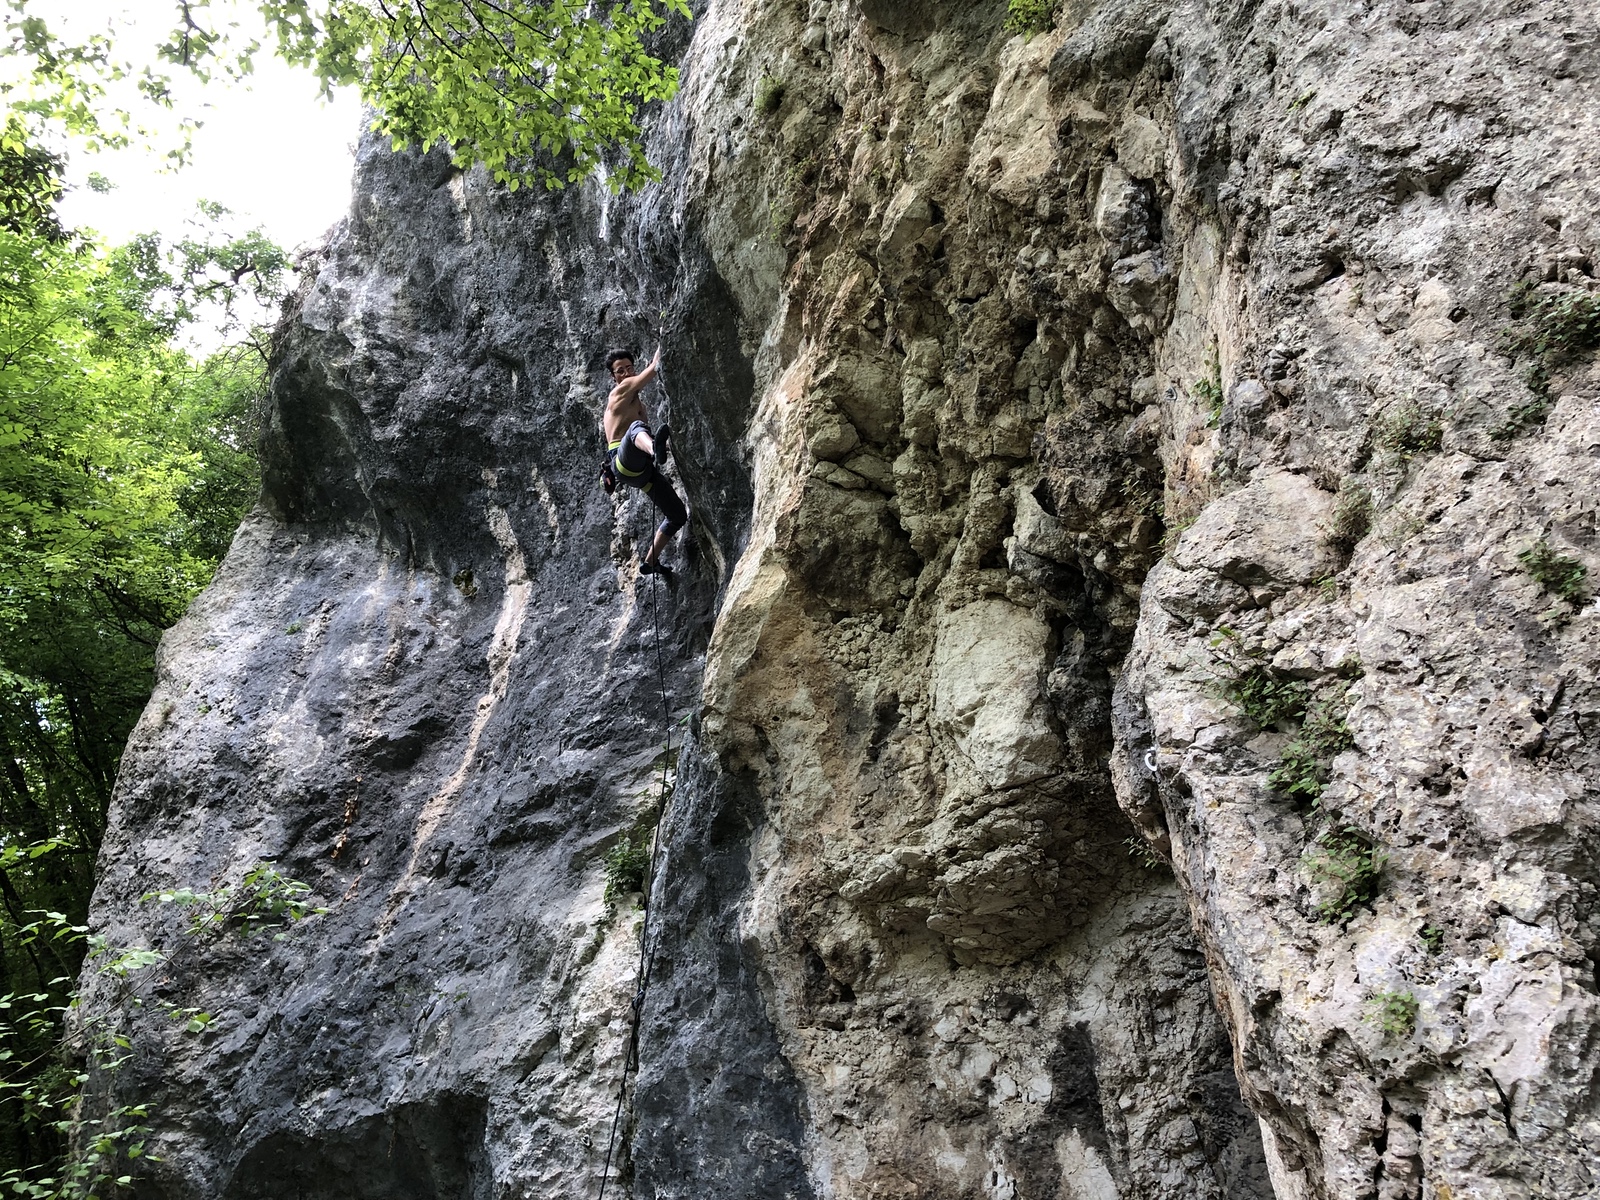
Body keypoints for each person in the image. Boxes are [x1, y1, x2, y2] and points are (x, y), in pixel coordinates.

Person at [602, 346, 686, 575]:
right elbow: (654, 368)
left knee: (678, 515)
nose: (626, 374)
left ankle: (650, 562)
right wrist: (662, 337)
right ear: (614, 377)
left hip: (640, 473)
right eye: (620, 371)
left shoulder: (637, 404)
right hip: (623, 459)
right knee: (636, 428)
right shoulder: (619, 392)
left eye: (629, 368)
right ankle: (653, 449)